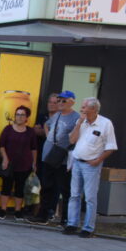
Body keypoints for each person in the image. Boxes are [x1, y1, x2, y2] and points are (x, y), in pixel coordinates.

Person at [63, 98, 117, 238]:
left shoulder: (105, 124)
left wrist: (98, 160)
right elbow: (72, 140)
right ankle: (72, 224)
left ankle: (88, 227)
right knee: (74, 195)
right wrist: (79, 123)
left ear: (93, 109)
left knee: (90, 197)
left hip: (91, 165)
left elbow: (111, 147)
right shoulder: (81, 122)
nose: (81, 109)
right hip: (77, 162)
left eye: (84, 107)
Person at [30, 91, 80, 226]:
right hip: (48, 155)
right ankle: (43, 215)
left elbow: (77, 136)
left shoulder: (76, 117)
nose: (60, 103)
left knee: (64, 188)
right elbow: (47, 124)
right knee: (46, 186)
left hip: (62, 157)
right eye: (59, 100)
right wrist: (49, 137)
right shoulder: (57, 115)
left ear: (72, 102)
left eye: (64, 101)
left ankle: (65, 218)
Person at [0, 105, 37, 221]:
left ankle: (18, 211)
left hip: (24, 164)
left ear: (27, 118)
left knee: (20, 188)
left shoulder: (30, 132)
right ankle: (3, 210)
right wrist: (5, 158)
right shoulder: (8, 129)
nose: (19, 117)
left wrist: (34, 163)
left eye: (22, 115)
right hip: (9, 165)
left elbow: (34, 148)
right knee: (6, 186)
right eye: (17, 114)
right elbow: (1, 145)